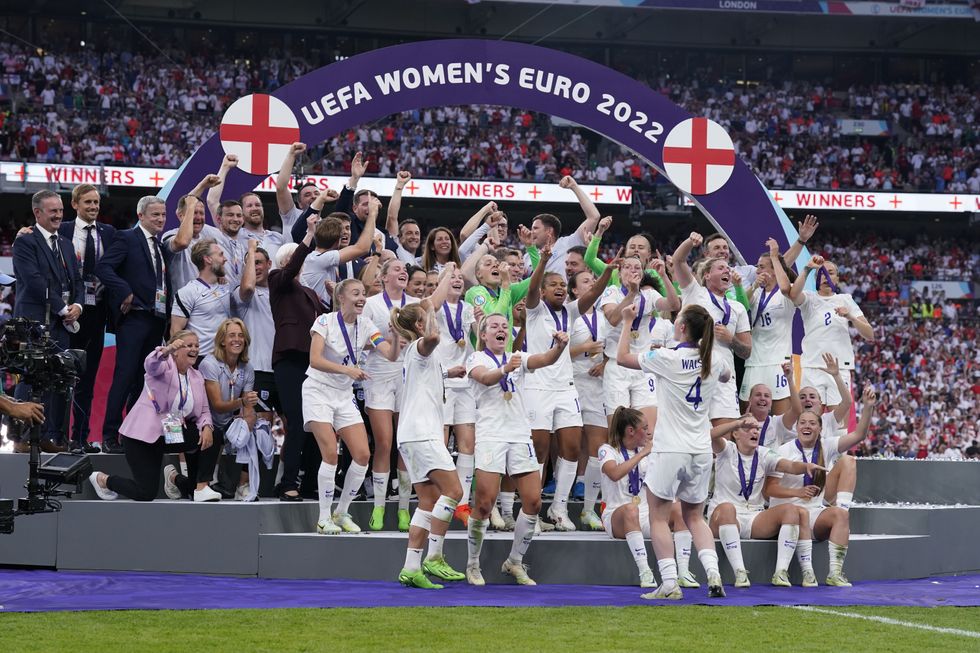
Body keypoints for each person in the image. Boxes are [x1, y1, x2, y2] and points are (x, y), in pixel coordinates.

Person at [616, 303, 731, 600]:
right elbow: (727, 376)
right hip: (701, 450)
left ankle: (669, 583)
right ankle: (713, 574)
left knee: (658, 516)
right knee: (695, 517)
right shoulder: (714, 359)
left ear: (681, 328)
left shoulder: (666, 357)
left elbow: (622, 357)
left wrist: (627, 321)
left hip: (670, 448)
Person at [97, 178, 217, 453]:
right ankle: (109, 434)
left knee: (144, 381)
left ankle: (132, 435)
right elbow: (104, 268)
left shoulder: (160, 245)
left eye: (163, 215)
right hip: (134, 317)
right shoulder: (127, 237)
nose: (161, 219)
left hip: (156, 319)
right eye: (155, 215)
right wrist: (125, 291)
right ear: (141, 215)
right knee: (125, 375)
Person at [464, 313, 569, 586]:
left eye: (504, 326)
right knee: (484, 503)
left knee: (533, 501)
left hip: (520, 434)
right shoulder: (477, 358)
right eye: (494, 326)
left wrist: (559, 347)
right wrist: (504, 370)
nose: (501, 329)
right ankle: (473, 564)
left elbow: (545, 359)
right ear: (483, 334)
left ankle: (514, 561)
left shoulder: (517, 357)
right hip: (491, 435)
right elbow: (485, 378)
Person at [524, 240, 614, 530]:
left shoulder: (571, 311)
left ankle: (559, 508)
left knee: (573, 448)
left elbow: (595, 293)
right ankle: (531, 510)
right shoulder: (534, 310)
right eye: (553, 285)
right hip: (537, 386)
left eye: (563, 284)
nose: (560, 288)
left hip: (565, 388)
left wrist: (608, 272)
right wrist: (542, 262)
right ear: (543, 291)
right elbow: (532, 288)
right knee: (539, 450)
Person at [304, 278, 400, 534]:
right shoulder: (324, 321)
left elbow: (390, 354)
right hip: (318, 390)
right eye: (356, 293)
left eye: (364, 293)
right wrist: (348, 370)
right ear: (341, 297)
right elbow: (314, 360)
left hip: (343, 394)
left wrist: (396, 336)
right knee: (330, 453)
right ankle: (323, 518)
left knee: (362, 455)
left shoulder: (366, 325)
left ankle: (341, 512)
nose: (362, 298)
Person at [766, 385, 878, 587]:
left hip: (815, 512)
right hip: (788, 514)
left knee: (848, 463)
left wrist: (868, 407)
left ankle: (835, 573)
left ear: (820, 429)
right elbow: (769, 490)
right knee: (798, 512)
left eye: (812, 423)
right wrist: (797, 492)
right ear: (796, 427)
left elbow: (859, 435)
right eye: (802, 423)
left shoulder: (826, 445)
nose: (806, 426)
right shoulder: (783, 451)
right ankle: (801, 571)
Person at [392, 299, 466, 588]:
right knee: (454, 491)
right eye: (427, 319)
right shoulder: (419, 347)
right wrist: (432, 308)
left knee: (428, 501)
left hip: (412, 435)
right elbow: (433, 337)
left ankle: (411, 567)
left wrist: (448, 373)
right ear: (419, 325)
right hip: (422, 434)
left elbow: (425, 377)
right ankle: (434, 557)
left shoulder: (418, 356)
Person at [88, 332, 214, 502]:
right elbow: (150, 364)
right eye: (189, 345)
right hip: (142, 437)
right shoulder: (164, 366)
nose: (194, 349)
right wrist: (166, 350)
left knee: (211, 435)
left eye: (197, 346)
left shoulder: (196, 376)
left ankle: (194, 485)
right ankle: (103, 480)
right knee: (146, 493)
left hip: (170, 433)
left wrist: (206, 426)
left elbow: (204, 411)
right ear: (176, 350)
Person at [708, 416, 824, 588]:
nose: (754, 432)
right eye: (748, 428)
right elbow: (710, 435)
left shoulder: (764, 453)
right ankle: (740, 572)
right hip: (724, 517)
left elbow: (790, 466)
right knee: (727, 508)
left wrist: (804, 467)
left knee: (791, 510)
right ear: (735, 434)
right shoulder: (727, 450)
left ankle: (781, 573)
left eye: (756, 428)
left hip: (754, 517)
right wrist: (736, 423)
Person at [11, 190, 84, 452]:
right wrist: (63, 308)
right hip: (33, 323)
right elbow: (34, 282)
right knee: (30, 378)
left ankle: (49, 437)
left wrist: (78, 306)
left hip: (61, 323)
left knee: (58, 378)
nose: (58, 215)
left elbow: (77, 281)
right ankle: (21, 438)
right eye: (53, 210)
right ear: (37, 213)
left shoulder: (65, 243)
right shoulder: (25, 242)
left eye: (61, 210)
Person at [269, 211, 324, 501]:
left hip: (313, 363)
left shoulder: (310, 294)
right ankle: (288, 482)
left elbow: (326, 322)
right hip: (290, 359)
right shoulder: (277, 280)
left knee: (315, 422)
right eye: (294, 258)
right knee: (297, 418)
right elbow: (291, 270)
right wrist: (309, 235)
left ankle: (312, 482)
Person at [363, 258, 419, 532]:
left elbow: (425, 336)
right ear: (383, 277)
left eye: (404, 269)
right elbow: (359, 341)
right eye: (396, 269)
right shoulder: (371, 304)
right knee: (384, 442)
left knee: (405, 443)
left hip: (408, 374)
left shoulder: (414, 303)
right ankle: (379, 506)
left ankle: (404, 508)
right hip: (379, 375)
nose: (403, 272)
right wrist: (383, 340)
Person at [60, 184, 116, 453]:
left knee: (88, 377)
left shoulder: (109, 232)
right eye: (88, 202)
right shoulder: (63, 230)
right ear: (75, 204)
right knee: (62, 377)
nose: (94, 207)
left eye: (96, 202)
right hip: (67, 313)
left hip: (97, 314)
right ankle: (57, 437)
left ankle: (80, 438)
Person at [673, 232, 751, 427]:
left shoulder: (738, 308)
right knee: (691, 432)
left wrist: (731, 339)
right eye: (720, 268)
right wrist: (690, 242)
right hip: (692, 371)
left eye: (728, 268)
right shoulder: (694, 292)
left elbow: (747, 351)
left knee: (724, 435)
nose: (727, 271)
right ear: (707, 275)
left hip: (724, 377)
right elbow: (678, 260)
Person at [787, 253, 875, 412]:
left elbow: (869, 334)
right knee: (810, 419)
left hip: (839, 369)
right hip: (813, 367)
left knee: (838, 423)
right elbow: (793, 295)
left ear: (837, 279)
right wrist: (807, 269)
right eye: (821, 273)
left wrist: (850, 317)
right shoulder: (809, 298)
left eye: (831, 272)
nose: (826, 276)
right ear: (816, 279)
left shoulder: (845, 299)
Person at [600, 255, 680, 429]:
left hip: (642, 365)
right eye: (628, 267)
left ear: (642, 274)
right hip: (617, 367)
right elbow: (613, 319)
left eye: (637, 268)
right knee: (618, 430)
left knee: (648, 429)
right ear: (620, 273)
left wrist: (664, 276)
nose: (633, 270)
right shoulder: (612, 292)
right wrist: (632, 293)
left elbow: (674, 305)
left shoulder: (649, 295)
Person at [191, 318, 258, 502]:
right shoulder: (209, 363)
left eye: (241, 335)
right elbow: (218, 406)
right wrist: (242, 402)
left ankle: (243, 486)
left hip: (228, 422)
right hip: (205, 421)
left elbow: (248, 407)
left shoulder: (247, 368)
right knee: (214, 431)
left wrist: (248, 421)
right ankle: (194, 480)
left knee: (257, 433)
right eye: (232, 335)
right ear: (222, 340)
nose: (237, 339)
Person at [431, 264, 477, 524]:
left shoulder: (468, 308)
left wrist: (481, 322)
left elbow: (478, 339)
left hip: (465, 382)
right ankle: (442, 497)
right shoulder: (435, 307)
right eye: (451, 277)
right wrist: (445, 275)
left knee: (468, 444)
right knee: (441, 442)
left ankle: (462, 504)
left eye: (460, 277)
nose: (457, 280)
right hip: (443, 380)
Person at [598, 406, 657, 588]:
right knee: (631, 510)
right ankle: (645, 572)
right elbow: (614, 474)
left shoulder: (649, 450)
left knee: (678, 509)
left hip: (645, 513)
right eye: (645, 428)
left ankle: (682, 572)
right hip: (616, 515)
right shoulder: (608, 450)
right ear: (631, 431)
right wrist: (643, 454)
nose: (649, 432)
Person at [567, 269, 608, 531]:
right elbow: (554, 351)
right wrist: (584, 348)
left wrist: (605, 363)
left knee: (597, 445)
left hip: (598, 385)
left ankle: (588, 509)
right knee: (570, 445)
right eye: (585, 281)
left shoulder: (605, 316)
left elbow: (616, 347)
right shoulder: (568, 314)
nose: (592, 283)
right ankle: (561, 504)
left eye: (594, 280)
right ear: (574, 290)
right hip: (571, 381)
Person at [739, 239, 797, 415]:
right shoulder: (756, 292)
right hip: (754, 362)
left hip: (778, 362)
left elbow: (786, 287)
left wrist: (775, 257)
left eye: (762, 267)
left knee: (780, 418)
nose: (757, 271)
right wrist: (755, 285)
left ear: (774, 270)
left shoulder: (787, 292)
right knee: (747, 416)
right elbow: (741, 304)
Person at [521, 176, 601, 280]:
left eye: (535, 228)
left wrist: (574, 187)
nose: (531, 232)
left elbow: (594, 217)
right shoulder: (527, 257)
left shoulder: (568, 243)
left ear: (549, 231)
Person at [170, 239, 232, 359]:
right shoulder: (188, 292)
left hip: (225, 357)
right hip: (200, 358)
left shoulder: (226, 286)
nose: (225, 259)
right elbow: (175, 331)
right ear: (208, 259)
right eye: (220, 254)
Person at [275, 142, 320, 244]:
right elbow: (281, 187)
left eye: (317, 193)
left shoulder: (326, 223)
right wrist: (292, 155)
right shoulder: (292, 215)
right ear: (299, 203)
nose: (313, 196)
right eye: (307, 195)